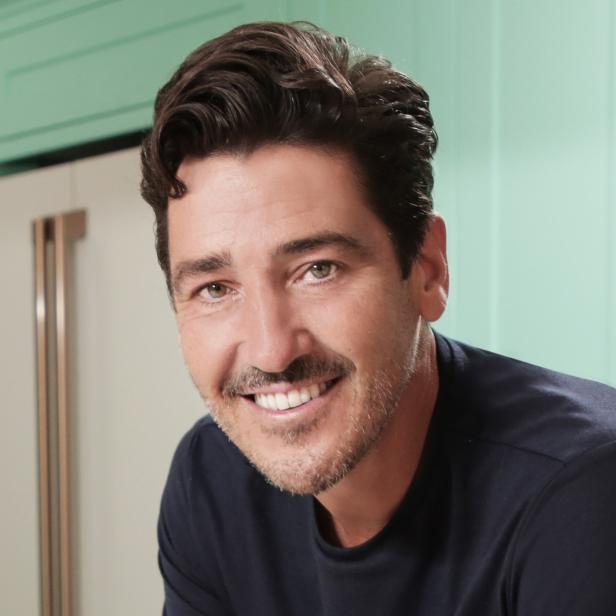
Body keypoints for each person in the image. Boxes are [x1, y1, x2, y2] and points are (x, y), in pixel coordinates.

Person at [140, 21, 616, 616]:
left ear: (427, 269)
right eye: (215, 288)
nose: (271, 351)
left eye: (317, 269)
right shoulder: (211, 479)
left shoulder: (585, 492)